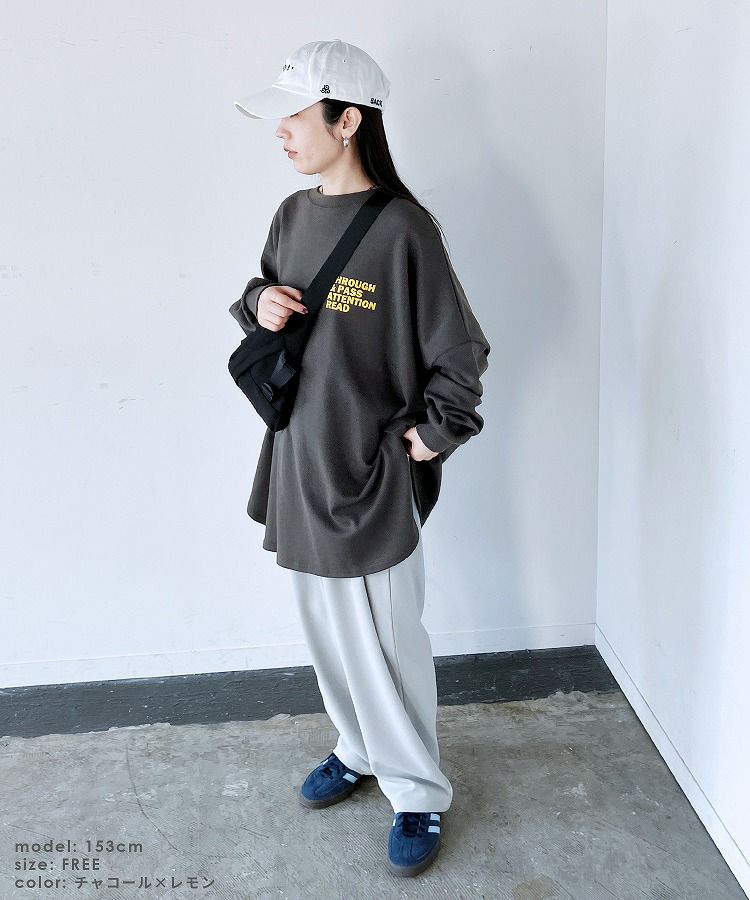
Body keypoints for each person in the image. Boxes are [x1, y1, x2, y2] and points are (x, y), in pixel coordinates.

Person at [230, 39, 490, 878]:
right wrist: (259, 301)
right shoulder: (291, 215)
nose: (281, 132)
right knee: (329, 631)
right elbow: (262, 300)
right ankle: (357, 746)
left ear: (348, 121)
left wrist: (436, 434)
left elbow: (461, 349)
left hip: (373, 472)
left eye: (294, 115)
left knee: (389, 637)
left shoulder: (403, 229)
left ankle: (418, 790)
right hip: (300, 460)